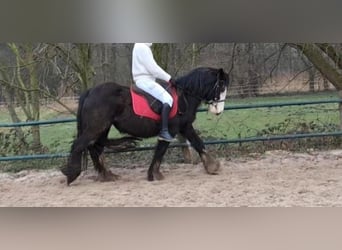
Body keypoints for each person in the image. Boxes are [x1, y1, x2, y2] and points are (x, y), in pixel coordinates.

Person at [132, 43, 175, 142]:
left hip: (143, 80)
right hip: (145, 80)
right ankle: (164, 131)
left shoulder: (139, 45)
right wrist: (169, 78)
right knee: (168, 99)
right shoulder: (143, 47)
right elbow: (153, 69)